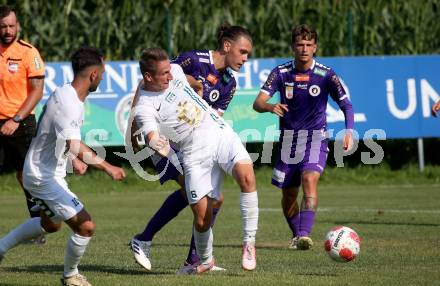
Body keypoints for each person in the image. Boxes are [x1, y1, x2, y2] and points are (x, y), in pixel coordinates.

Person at [129, 24, 253, 271]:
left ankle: (193, 260)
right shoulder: (191, 60)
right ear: (227, 46)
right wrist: (135, 128)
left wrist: (195, 87)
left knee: (212, 200)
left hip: (198, 145)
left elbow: (211, 118)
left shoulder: (229, 83)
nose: (245, 58)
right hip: (169, 144)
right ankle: (144, 240)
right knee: (197, 195)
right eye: (243, 52)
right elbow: (150, 85)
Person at [0, 47, 126, 286]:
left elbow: (56, 136)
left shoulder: (66, 94)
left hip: (47, 173)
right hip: (42, 177)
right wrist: (109, 167)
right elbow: (74, 143)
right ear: (92, 75)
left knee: (50, 224)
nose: (102, 77)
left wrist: (71, 160)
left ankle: (1, 247)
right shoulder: (69, 103)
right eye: (101, 73)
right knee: (86, 226)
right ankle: (70, 276)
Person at [253, 24, 354, 250]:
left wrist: (349, 131)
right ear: (293, 47)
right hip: (288, 142)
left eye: (309, 45)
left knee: (309, 180)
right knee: (289, 196)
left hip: (316, 138)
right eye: (300, 44)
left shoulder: (326, 74)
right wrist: (270, 107)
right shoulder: (280, 73)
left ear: (315, 47)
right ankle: (297, 235)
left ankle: (303, 234)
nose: (304, 49)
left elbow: (346, 104)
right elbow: (257, 102)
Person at [0, 5, 46, 243]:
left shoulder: (28, 52)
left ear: (17, 25)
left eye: (11, 25)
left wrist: (15, 119)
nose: (8, 30)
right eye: (3, 26)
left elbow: (37, 91)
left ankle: (37, 226)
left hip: (21, 122)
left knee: (26, 175)